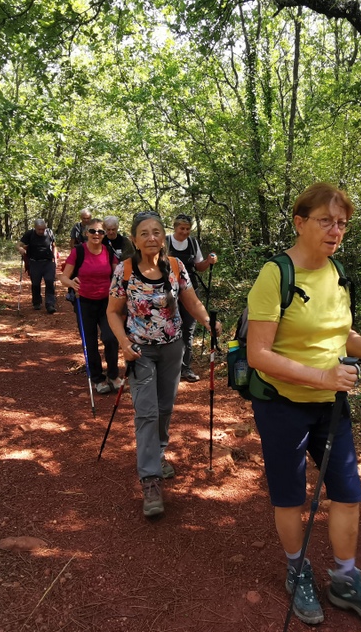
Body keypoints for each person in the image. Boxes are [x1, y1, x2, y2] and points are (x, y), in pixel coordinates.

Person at [246, 182, 361, 628]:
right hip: (282, 404)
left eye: (342, 223)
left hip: (331, 404)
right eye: (326, 221)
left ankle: (346, 579)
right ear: (299, 222)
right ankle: (298, 569)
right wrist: (323, 377)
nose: (336, 230)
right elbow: (259, 354)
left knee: (348, 492)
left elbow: (341, 335)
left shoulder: (337, 273)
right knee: (291, 496)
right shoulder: (275, 275)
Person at [107, 211, 222, 519]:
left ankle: (156, 455)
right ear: (134, 239)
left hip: (173, 349)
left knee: (165, 407)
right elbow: (113, 312)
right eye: (144, 233)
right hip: (140, 351)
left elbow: (191, 301)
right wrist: (124, 343)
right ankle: (150, 480)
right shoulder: (125, 270)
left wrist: (208, 322)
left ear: (164, 235)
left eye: (156, 231)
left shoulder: (175, 266)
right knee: (146, 412)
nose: (151, 237)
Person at [59, 217, 121, 394]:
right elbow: (63, 277)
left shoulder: (108, 251)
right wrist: (72, 283)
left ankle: (113, 374)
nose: (96, 234)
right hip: (84, 302)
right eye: (93, 231)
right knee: (90, 341)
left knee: (110, 337)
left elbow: (117, 275)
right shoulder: (78, 251)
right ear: (86, 233)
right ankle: (97, 378)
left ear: (104, 234)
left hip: (106, 303)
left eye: (100, 231)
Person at [167, 213, 219, 382]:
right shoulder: (166, 242)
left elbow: (199, 266)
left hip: (190, 290)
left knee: (188, 330)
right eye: (182, 228)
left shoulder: (192, 243)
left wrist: (209, 262)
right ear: (175, 227)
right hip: (169, 292)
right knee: (171, 328)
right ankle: (169, 367)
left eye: (188, 229)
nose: (185, 232)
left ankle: (185, 368)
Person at [16, 218, 58, 313]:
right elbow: (18, 244)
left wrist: (55, 259)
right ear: (35, 228)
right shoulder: (30, 234)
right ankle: (36, 302)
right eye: (39, 229)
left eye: (43, 229)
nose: (41, 231)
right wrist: (20, 249)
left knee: (49, 281)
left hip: (48, 262)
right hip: (34, 262)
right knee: (35, 283)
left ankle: (50, 304)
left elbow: (54, 246)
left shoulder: (49, 233)